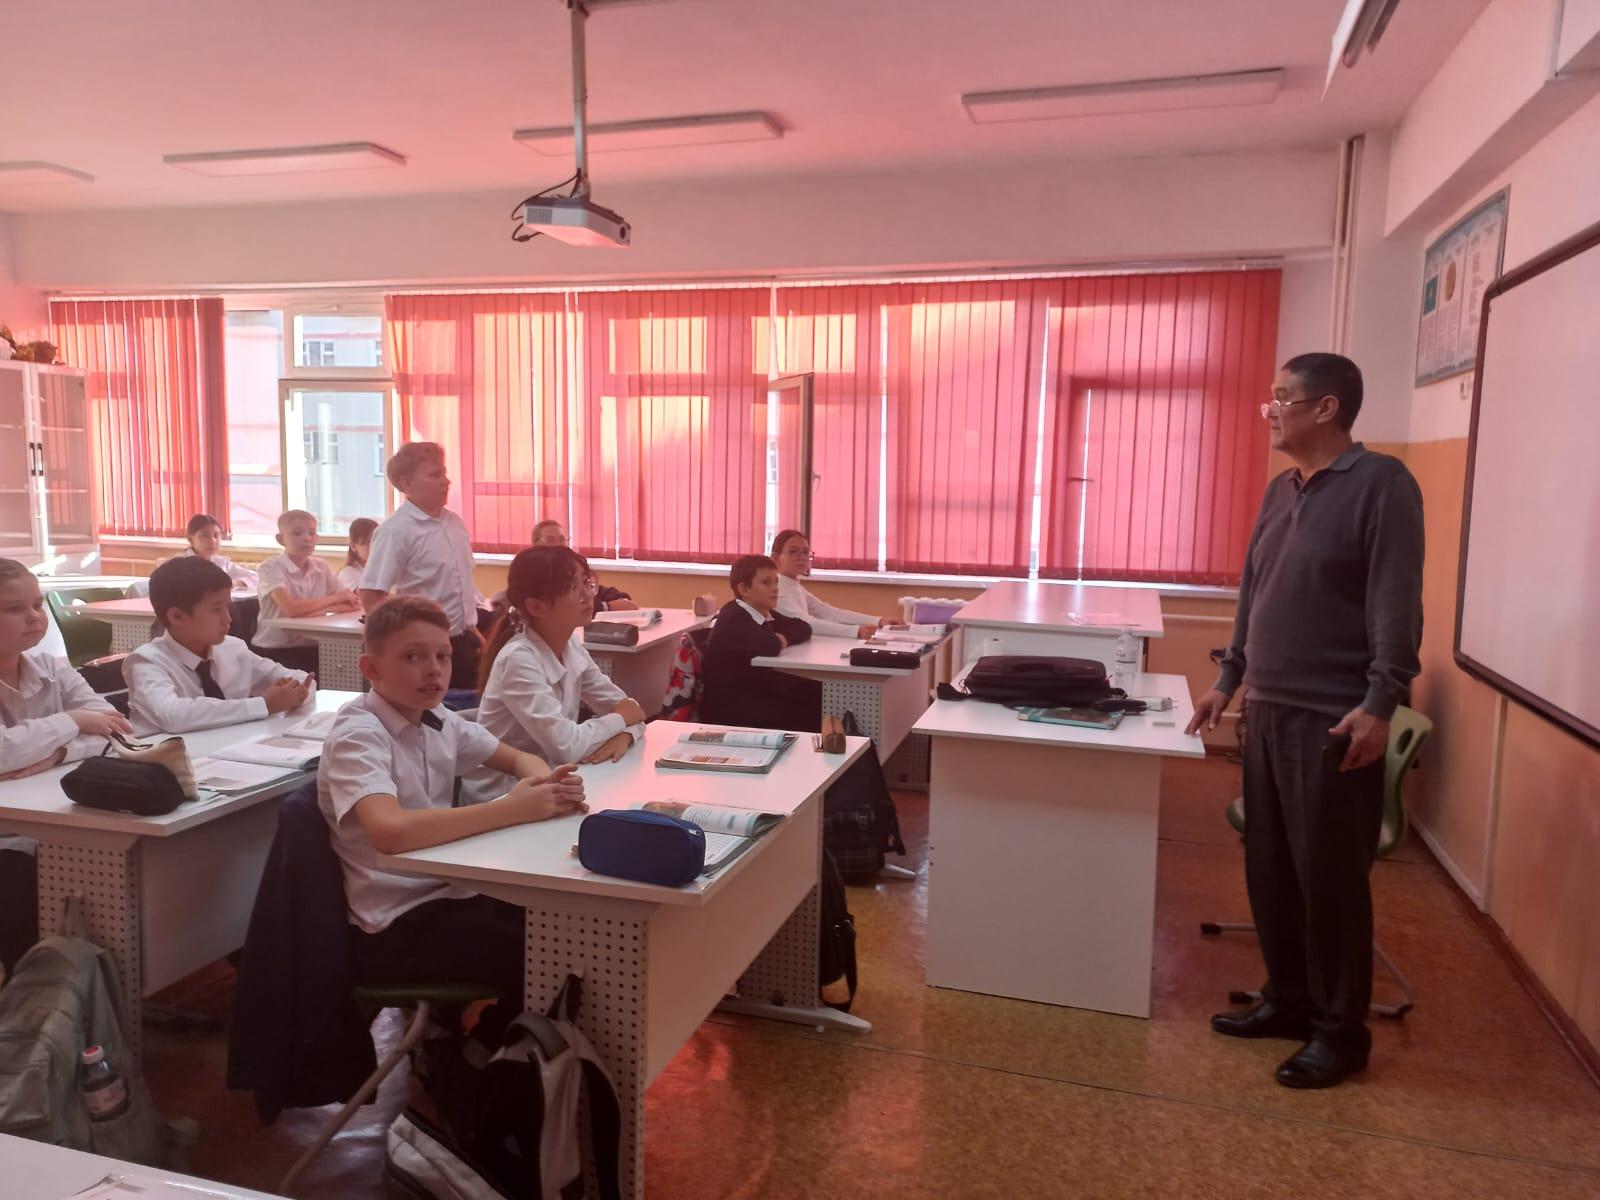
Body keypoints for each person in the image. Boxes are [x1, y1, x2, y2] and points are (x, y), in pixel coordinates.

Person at [1188, 352, 1424, 1090]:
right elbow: (1254, 592)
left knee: (1330, 884)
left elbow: (1395, 602)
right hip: (1267, 707)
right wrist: (1228, 680)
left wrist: (1380, 704)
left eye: (1282, 399)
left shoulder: (1381, 484)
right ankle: (1287, 1001)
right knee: (1271, 871)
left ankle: (1340, 1033)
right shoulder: (1282, 488)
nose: (1270, 411)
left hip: (1334, 719)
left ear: (1326, 408)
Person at [319, 595, 587, 1006]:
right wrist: (512, 809)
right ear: (371, 669)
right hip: (395, 925)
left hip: (448, 893)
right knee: (548, 954)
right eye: (413, 657)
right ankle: (491, 1040)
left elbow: (517, 758)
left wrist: (544, 784)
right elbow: (390, 832)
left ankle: (491, 1033)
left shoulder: (437, 717)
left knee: (565, 923)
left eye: (442, 656)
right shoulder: (358, 735)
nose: (434, 669)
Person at [0, 558, 133, 975]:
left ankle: (91, 987)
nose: (34, 617)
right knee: (25, 880)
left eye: (37, 604)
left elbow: (115, 727)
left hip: (49, 817)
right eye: (14, 608)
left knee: (124, 853)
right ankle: (35, 991)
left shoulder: (52, 667)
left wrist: (58, 754)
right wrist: (72, 721)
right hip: (9, 836)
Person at [464, 547, 647, 805]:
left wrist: (626, 734)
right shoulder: (518, 659)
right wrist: (621, 719)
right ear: (537, 606)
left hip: (553, 785)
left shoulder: (570, 645)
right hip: (502, 798)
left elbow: (632, 709)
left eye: (586, 583)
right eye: (572, 588)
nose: (588, 595)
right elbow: (567, 747)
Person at [125, 556, 314, 734]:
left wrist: (295, 690)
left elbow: (302, 678)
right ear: (177, 617)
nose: (228, 619)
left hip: (228, 750)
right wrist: (263, 705)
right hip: (167, 755)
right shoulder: (146, 662)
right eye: (216, 610)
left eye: (227, 607)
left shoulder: (233, 649)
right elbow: (172, 715)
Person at [360, 444, 486, 689]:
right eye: (435, 475)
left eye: (445, 473)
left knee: (467, 707)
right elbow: (371, 594)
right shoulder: (395, 530)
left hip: (465, 640)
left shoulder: (454, 523)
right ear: (408, 484)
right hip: (424, 646)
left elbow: (462, 586)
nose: (446, 481)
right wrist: (399, 645)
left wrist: (475, 634)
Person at [700, 554, 820, 732]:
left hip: (755, 689)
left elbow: (803, 627)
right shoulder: (734, 617)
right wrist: (778, 640)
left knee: (818, 691)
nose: (775, 589)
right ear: (744, 589)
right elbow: (769, 646)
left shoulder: (760, 610)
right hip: (732, 706)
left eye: (776, 582)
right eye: (766, 583)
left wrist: (783, 638)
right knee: (812, 706)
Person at [252, 510, 362, 674]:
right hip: (275, 649)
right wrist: (334, 599)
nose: (307, 538)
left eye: (312, 533)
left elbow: (354, 603)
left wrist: (323, 609)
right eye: (297, 533)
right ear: (281, 539)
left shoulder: (321, 566)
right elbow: (291, 608)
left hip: (313, 645)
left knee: (352, 666)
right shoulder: (271, 567)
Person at [770, 529, 904, 639]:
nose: (802, 557)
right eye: (793, 552)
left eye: (805, 552)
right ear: (775, 558)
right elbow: (804, 623)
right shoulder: (776, 589)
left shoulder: (795, 586)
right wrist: (854, 631)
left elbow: (831, 613)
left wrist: (878, 621)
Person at [532, 520, 638, 612]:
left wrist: (621, 599)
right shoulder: (535, 572)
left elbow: (593, 590)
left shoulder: (572, 566)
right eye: (550, 540)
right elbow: (565, 606)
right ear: (536, 545)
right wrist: (607, 607)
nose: (558, 545)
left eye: (562, 539)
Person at [181, 513, 257, 590]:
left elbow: (255, 577)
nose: (212, 541)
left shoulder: (221, 562)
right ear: (190, 539)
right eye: (205, 536)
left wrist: (236, 583)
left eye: (216, 535)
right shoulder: (180, 564)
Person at [339, 517, 378, 592]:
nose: (374, 546)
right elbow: (368, 596)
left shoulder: (381, 568)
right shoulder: (348, 573)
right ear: (353, 546)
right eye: (368, 542)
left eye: (377, 541)